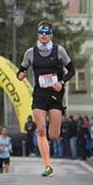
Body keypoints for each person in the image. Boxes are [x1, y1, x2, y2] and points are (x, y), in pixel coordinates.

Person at [17, 20, 75, 176]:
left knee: (54, 135)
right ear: (38, 34)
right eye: (41, 32)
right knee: (41, 130)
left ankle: (50, 140)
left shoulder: (59, 51)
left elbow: (71, 70)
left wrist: (62, 82)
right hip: (39, 94)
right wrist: (20, 75)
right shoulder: (30, 52)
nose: (44, 35)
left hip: (56, 94)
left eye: (47, 32)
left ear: (51, 35)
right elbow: (21, 70)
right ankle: (48, 165)